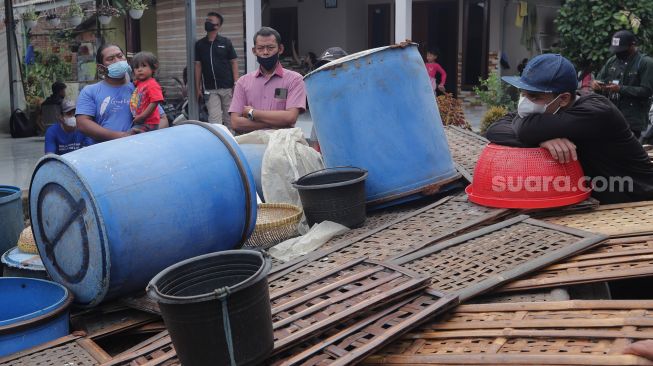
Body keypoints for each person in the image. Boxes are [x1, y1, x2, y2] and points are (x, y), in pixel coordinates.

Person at [485, 53, 653, 204]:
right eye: (523, 94)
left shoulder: (596, 112)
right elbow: (495, 129)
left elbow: (525, 130)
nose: (525, 102)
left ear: (564, 99)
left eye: (534, 96)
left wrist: (535, 134)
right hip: (597, 196)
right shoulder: (550, 111)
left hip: (637, 199)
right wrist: (544, 138)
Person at [229, 27, 306, 134]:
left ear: (280, 49)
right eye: (260, 48)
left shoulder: (295, 79)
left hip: (281, 145)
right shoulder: (242, 82)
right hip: (250, 145)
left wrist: (252, 113)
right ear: (254, 51)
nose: (265, 52)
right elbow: (235, 123)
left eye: (270, 48)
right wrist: (277, 123)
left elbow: (290, 118)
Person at [591, 30, 653, 139]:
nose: (618, 53)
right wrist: (596, 85)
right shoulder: (612, 61)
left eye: (622, 50)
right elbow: (600, 79)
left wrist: (620, 89)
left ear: (632, 46)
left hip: (632, 120)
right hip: (611, 116)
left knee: (627, 152)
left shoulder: (645, 63)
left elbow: (647, 91)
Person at [76, 44, 135, 144]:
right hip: (104, 152)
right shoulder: (90, 91)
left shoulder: (138, 89)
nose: (117, 61)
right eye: (110, 59)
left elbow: (162, 119)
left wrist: (143, 135)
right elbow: (82, 123)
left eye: (120, 56)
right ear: (101, 67)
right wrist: (122, 136)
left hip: (137, 149)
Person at [195, 11, 239, 126]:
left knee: (229, 118)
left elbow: (234, 62)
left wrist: (236, 83)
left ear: (218, 26)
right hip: (210, 89)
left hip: (227, 87)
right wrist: (197, 87)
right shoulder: (200, 44)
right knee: (215, 120)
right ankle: (218, 142)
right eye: (206, 20)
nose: (206, 22)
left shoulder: (226, 42)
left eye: (210, 21)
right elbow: (198, 66)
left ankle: (231, 141)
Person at [130, 51, 164, 133]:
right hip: (142, 121)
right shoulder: (140, 83)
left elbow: (155, 102)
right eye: (136, 67)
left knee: (130, 135)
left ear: (153, 68)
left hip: (149, 122)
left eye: (144, 66)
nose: (139, 70)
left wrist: (143, 116)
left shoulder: (152, 84)